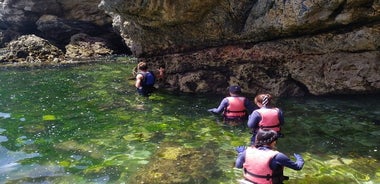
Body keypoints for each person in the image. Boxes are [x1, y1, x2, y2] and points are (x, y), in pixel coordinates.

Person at [235, 129, 304, 184]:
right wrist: (300, 159)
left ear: (257, 139)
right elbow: (297, 167)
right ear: (273, 142)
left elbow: (238, 165)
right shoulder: (277, 156)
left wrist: (241, 153)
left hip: (247, 181)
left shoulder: (246, 152)